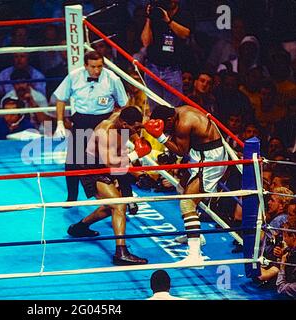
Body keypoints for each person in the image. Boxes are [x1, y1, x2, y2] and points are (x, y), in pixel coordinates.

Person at [66, 106, 151, 265]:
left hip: (107, 163)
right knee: (119, 205)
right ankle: (121, 252)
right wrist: (137, 154)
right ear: (125, 124)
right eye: (135, 128)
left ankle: (80, 227)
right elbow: (111, 164)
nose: (137, 131)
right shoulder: (104, 132)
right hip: (91, 168)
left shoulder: (122, 120)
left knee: (110, 205)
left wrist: (140, 139)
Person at [144, 104, 228, 264]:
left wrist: (160, 136)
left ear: (169, 120)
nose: (164, 128)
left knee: (187, 204)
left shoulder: (184, 123)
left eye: (163, 125)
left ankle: (194, 255)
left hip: (210, 159)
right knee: (181, 187)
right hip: (199, 153)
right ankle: (195, 233)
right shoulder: (178, 112)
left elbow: (181, 151)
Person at [53, 51, 129, 206]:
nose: (97, 70)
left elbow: (124, 105)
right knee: (73, 161)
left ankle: (127, 197)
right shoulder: (74, 76)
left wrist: (113, 123)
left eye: (100, 66)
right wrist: (60, 123)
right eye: (93, 67)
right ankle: (72, 198)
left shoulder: (113, 79)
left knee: (114, 160)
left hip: (105, 122)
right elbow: (61, 98)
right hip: (81, 121)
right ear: (85, 65)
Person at [140, 0, 193, 107]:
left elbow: (186, 34)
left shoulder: (185, 14)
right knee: (154, 109)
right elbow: (146, 42)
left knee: (172, 110)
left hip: (172, 69)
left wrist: (168, 21)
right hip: (153, 67)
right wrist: (149, 18)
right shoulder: (156, 13)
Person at [276, 221, 296, 299]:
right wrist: (281, 255)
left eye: (285, 236)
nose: (284, 240)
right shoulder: (290, 250)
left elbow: (281, 289)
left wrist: (282, 266)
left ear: (293, 236)